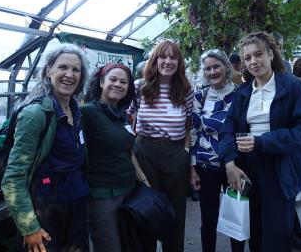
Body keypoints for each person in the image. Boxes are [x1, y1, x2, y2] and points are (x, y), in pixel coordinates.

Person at [219, 32, 301, 252]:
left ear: (271, 54)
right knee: (254, 232)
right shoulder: (243, 92)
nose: (254, 61)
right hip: (247, 169)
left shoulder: (291, 87)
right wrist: (230, 164)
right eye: (248, 58)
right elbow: (227, 131)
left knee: (276, 237)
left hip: (279, 168)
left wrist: (263, 142)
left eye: (259, 54)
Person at [2, 43, 90, 252]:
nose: (69, 74)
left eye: (75, 70)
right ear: (48, 70)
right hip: (47, 213)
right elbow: (13, 177)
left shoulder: (77, 112)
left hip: (75, 209)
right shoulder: (36, 114)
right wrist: (29, 227)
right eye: (62, 67)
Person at [133, 40, 193, 252]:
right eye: (163, 56)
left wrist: (185, 152)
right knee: (146, 207)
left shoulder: (185, 89)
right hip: (144, 151)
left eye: (173, 57)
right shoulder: (139, 87)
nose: (168, 61)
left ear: (179, 62)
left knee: (175, 211)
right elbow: (129, 116)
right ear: (155, 60)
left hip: (174, 152)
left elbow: (188, 124)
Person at [82, 63, 150, 252]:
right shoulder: (88, 112)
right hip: (103, 197)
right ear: (102, 82)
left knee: (128, 245)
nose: (118, 84)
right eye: (113, 79)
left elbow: (127, 152)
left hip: (128, 192)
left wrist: (143, 180)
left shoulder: (120, 114)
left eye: (123, 82)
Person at [190, 49, 244, 252]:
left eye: (216, 66)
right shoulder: (200, 96)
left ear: (226, 67)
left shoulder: (241, 93)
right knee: (208, 219)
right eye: (208, 68)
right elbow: (193, 132)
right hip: (207, 166)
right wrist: (192, 167)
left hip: (237, 165)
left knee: (236, 216)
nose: (212, 72)